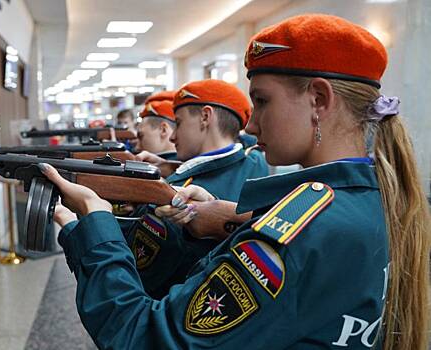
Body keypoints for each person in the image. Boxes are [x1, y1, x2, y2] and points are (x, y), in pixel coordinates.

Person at [44, 14, 430, 349]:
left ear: (319, 99)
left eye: (262, 101)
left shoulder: (299, 235)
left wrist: (94, 223)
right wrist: (235, 220)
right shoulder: (382, 195)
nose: (250, 123)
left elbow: (142, 337)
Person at [118, 80, 268, 299]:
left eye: (178, 123)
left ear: (206, 117)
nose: (172, 136)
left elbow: (142, 278)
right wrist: (174, 168)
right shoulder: (253, 162)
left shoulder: (188, 188)